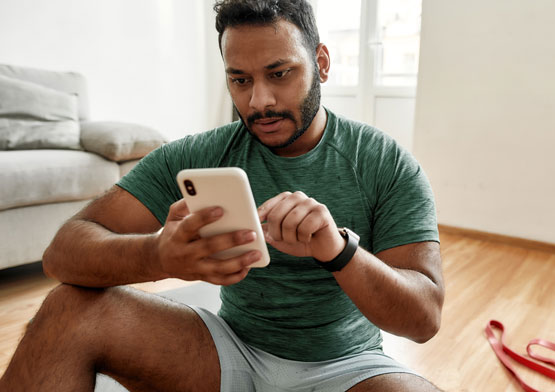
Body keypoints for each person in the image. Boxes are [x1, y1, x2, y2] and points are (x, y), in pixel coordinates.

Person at [0, 0, 445, 390]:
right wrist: (156, 256)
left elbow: (424, 318)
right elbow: (63, 254)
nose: (258, 102)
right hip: (227, 353)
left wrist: (339, 250)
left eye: (279, 74)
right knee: (68, 309)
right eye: (240, 80)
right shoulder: (199, 154)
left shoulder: (385, 163)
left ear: (322, 63)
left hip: (348, 368)